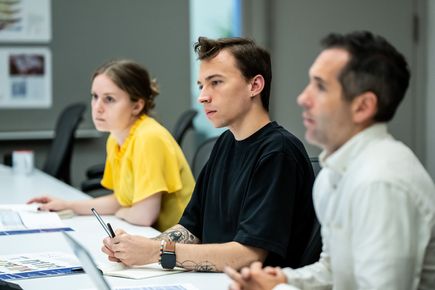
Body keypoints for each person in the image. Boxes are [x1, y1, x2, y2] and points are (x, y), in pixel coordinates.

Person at [225, 30, 435, 290]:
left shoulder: (380, 181)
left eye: (320, 86)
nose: (303, 98)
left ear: (363, 106)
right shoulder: (333, 173)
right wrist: (280, 281)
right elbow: (335, 271)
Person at [101, 37, 316, 272]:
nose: (203, 96)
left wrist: (156, 252)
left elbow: (248, 255)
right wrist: (136, 248)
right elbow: (191, 228)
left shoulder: (278, 152)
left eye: (216, 82)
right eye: (201, 85)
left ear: (254, 86)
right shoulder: (225, 142)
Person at [28, 60, 195, 232]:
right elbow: (120, 201)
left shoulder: (149, 137)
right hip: (153, 238)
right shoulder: (116, 138)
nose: (97, 107)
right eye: (95, 96)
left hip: (181, 245)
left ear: (137, 106)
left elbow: (144, 215)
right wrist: (68, 205)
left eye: (109, 99)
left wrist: (121, 212)